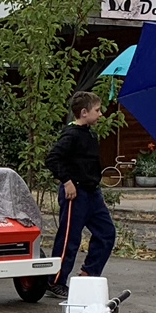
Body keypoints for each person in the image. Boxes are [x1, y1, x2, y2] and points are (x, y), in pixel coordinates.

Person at [45, 92, 114, 300]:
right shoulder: (71, 135)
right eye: (97, 110)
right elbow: (53, 158)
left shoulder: (91, 134)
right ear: (84, 112)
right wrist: (67, 182)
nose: (100, 114)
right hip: (75, 194)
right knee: (70, 239)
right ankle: (55, 281)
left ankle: (88, 274)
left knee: (107, 233)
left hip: (93, 193)